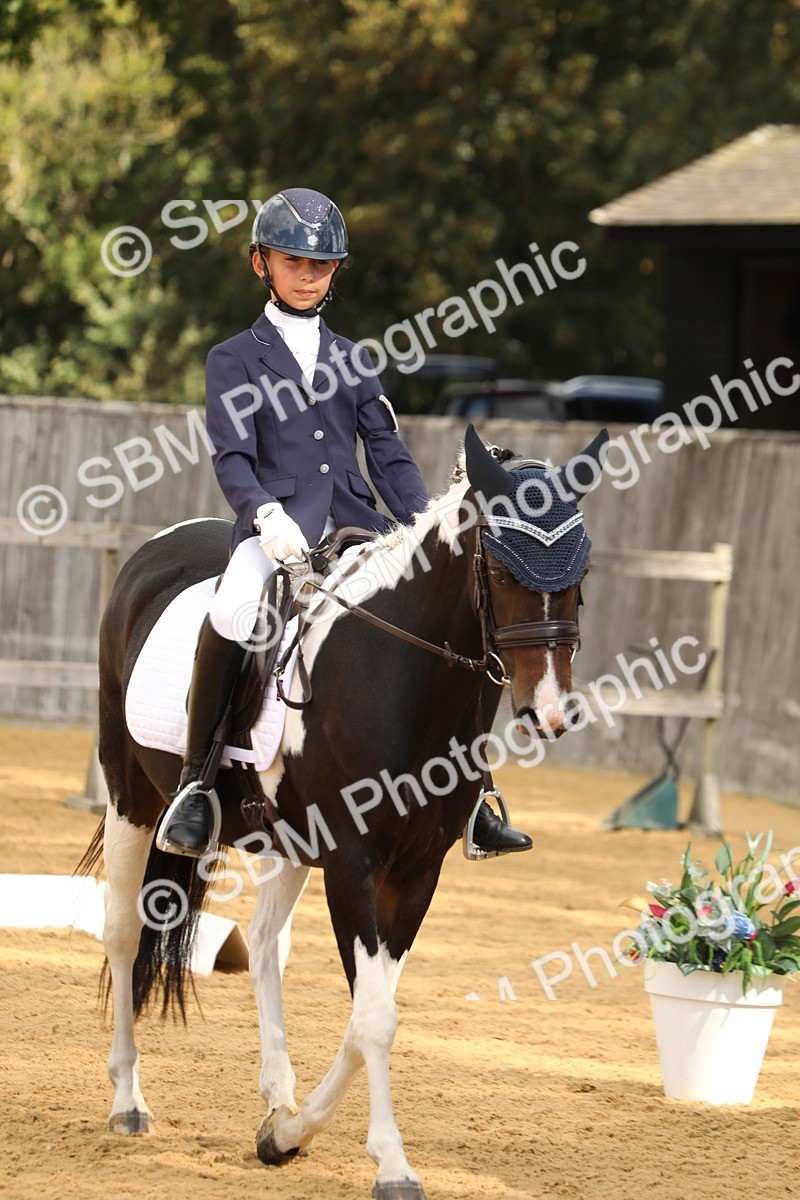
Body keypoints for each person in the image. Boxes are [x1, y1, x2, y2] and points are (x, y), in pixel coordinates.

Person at [157, 187, 531, 860]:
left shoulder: (354, 359)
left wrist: (424, 529)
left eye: (320, 264)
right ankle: (197, 785)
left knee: (455, 614)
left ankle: (474, 791)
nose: (307, 275)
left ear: (335, 272)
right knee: (235, 610)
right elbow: (234, 458)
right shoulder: (232, 359)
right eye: (292, 261)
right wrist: (266, 515)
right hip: (275, 531)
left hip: (358, 528)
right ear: (260, 264)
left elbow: (385, 453)